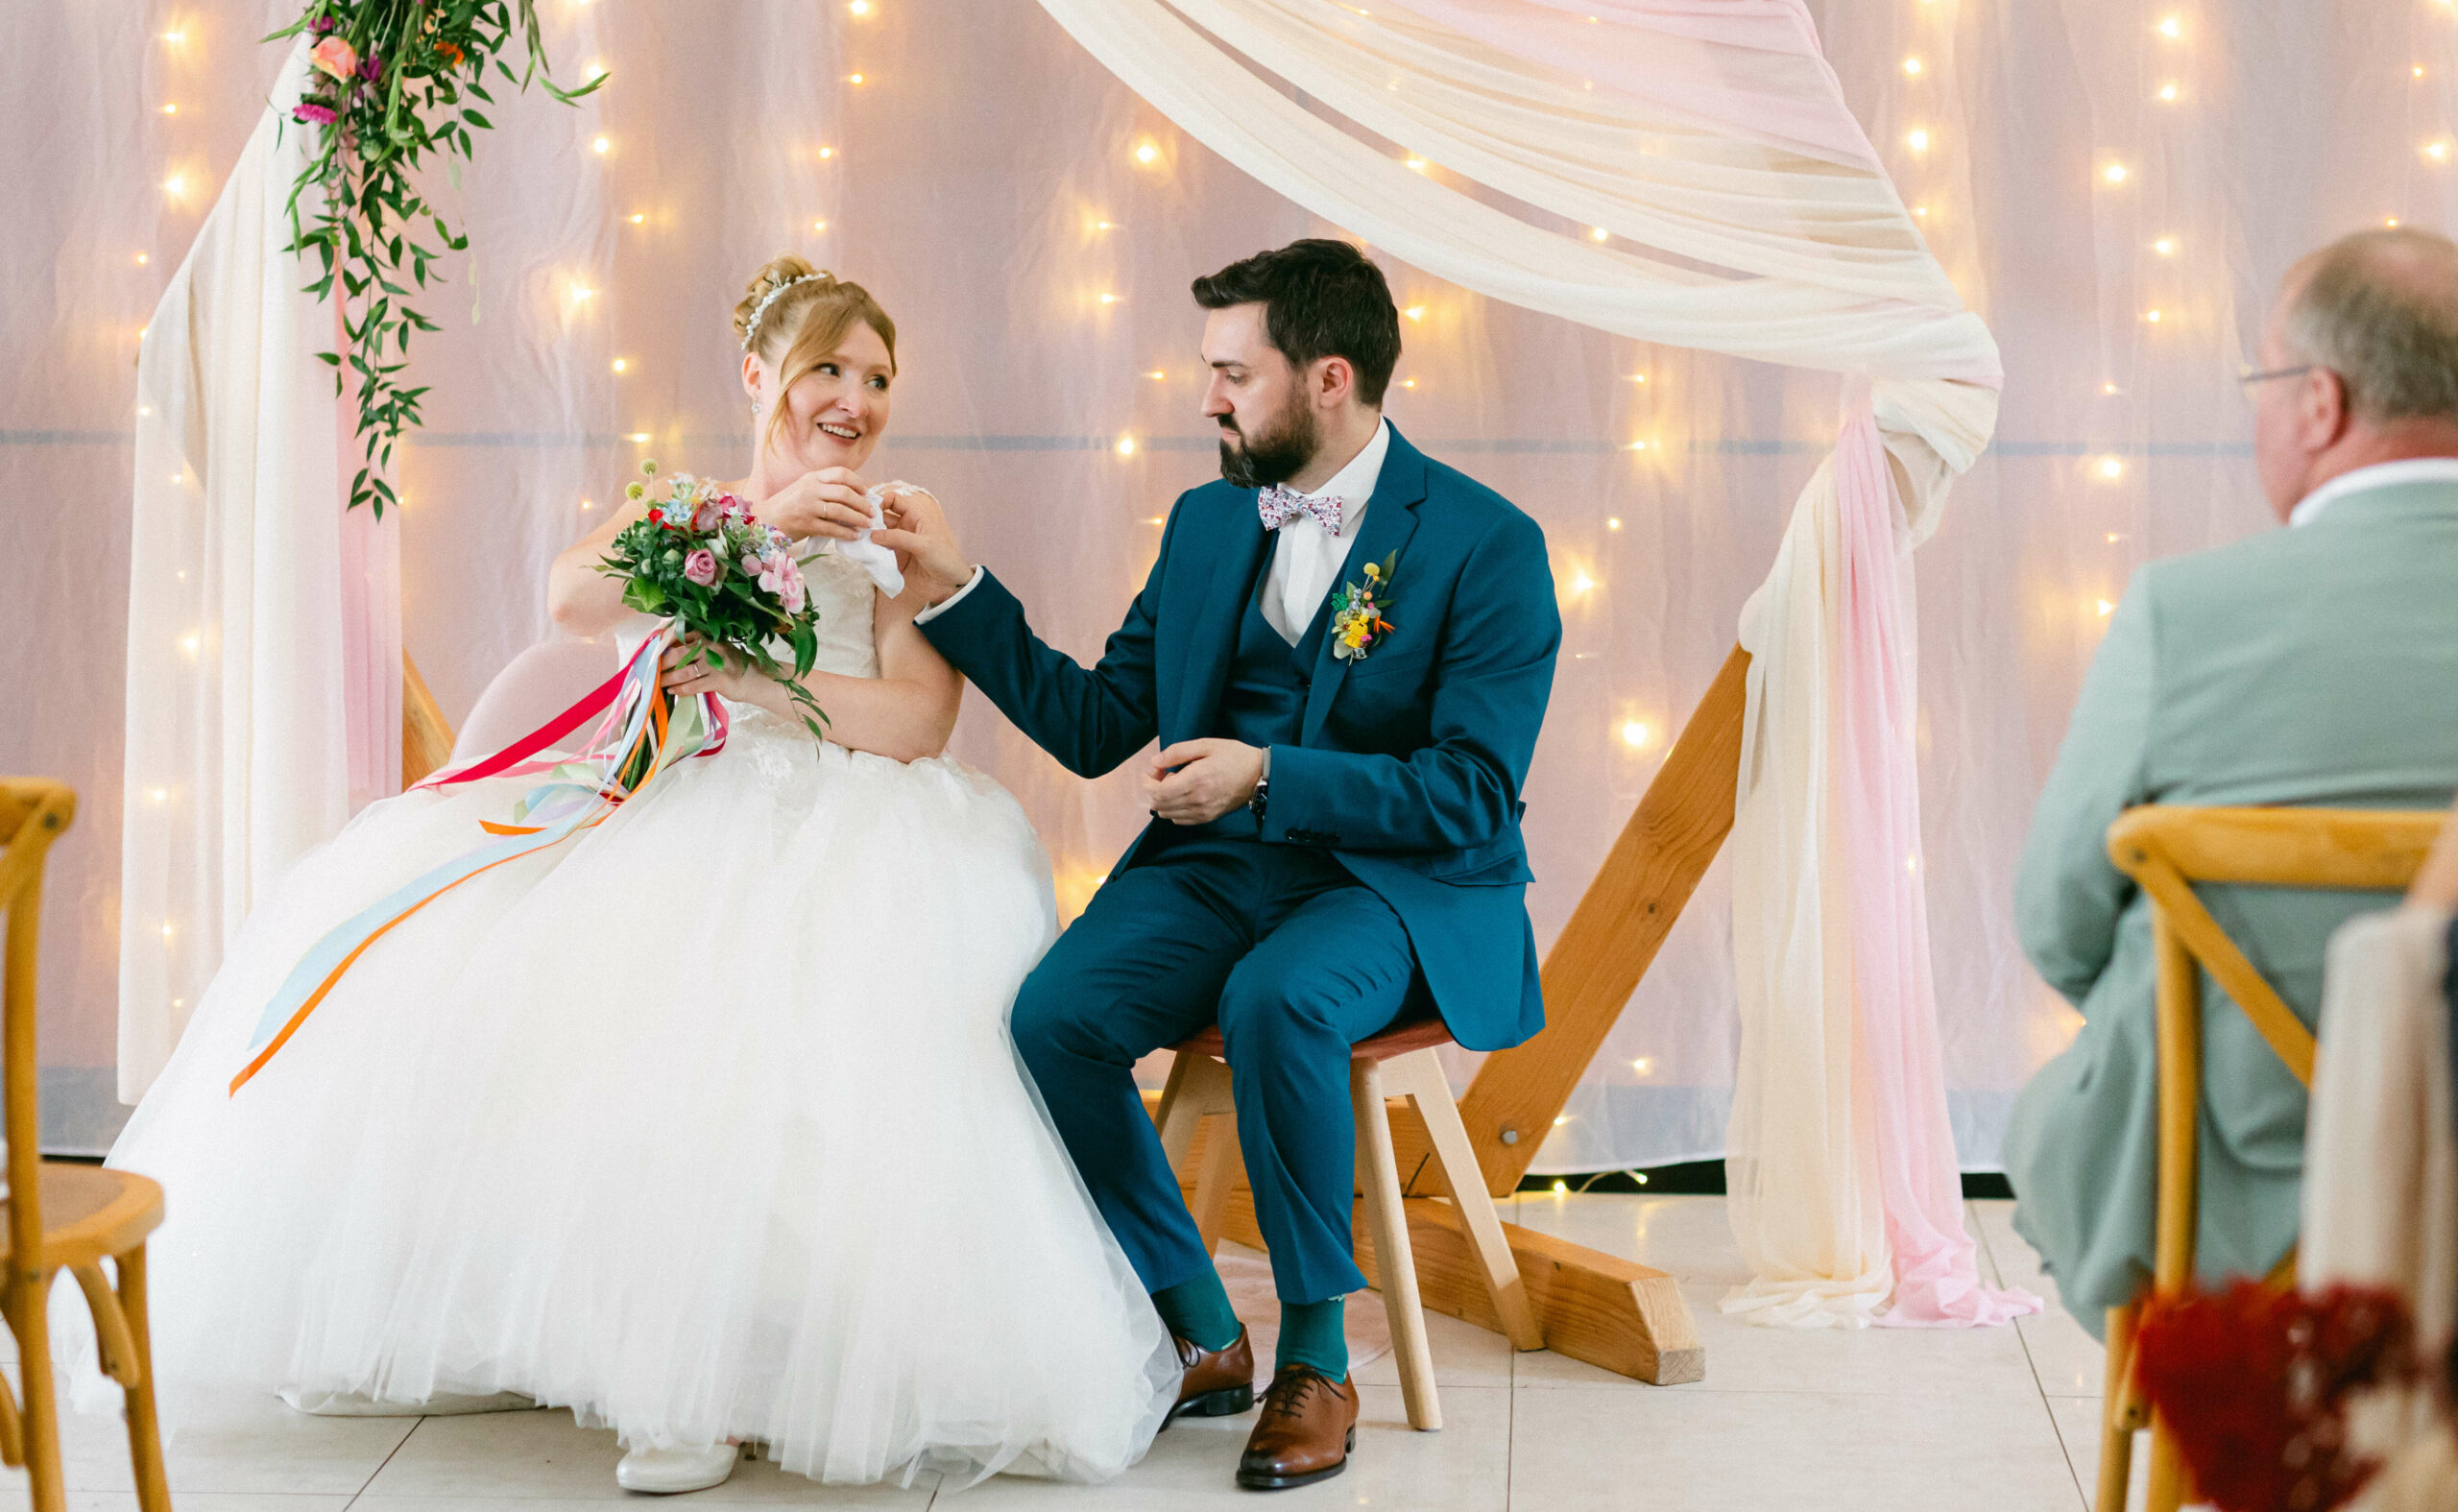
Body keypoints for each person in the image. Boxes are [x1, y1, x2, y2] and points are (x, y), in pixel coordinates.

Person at [87, 257, 1177, 1493]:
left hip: (843, 801)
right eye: (826, 367)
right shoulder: (689, 506)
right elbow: (570, 599)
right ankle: (528, 1328)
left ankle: (716, 1376)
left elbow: (914, 724)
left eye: (877, 378)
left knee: (774, 1020)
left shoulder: (892, 526)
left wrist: (758, 683)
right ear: (758, 374)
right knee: (497, 976)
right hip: (668, 787)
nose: (856, 399)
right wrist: (754, 528)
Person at [874, 238, 1561, 1492]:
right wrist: (955, 585)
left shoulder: (1487, 543)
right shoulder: (1205, 520)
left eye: (1233, 373)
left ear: (1330, 378)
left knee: (1278, 998)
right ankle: (1199, 1322)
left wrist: (1268, 775)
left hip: (1391, 884)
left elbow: (1469, 791)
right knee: (1053, 1014)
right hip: (1213, 869)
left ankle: (1317, 1362)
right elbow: (1097, 724)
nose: (1208, 399)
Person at [2005, 228, 2458, 1332]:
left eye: (2263, 381)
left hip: (2232, 1218)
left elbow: (2058, 923)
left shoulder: (2183, 612)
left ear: (2319, 403)